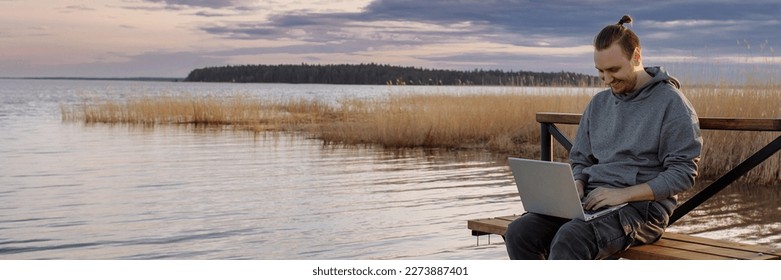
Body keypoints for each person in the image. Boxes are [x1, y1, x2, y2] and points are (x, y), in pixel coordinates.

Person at [504, 15, 703, 260]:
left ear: (636, 57)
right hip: (592, 202)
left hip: (642, 211)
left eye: (614, 70)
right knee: (519, 232)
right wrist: (577, 184)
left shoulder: (672, 104)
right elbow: (581, 160)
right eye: (600, 72)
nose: (607, 80)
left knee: (571, 238)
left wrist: (623, 194)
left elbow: (683, 174)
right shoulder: (598, 104)